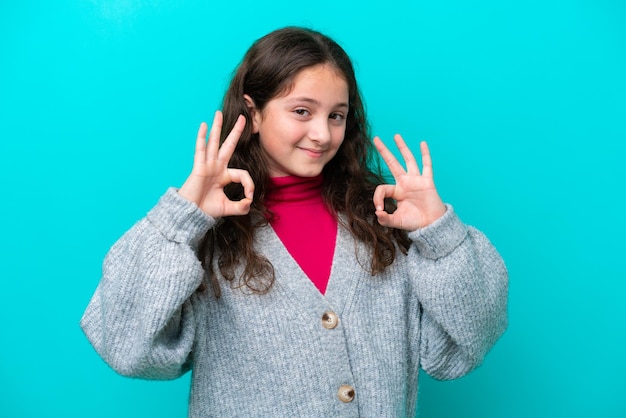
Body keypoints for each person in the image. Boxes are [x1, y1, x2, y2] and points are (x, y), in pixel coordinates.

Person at [81, 26, 508, 417]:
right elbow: (124, 345)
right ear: (254, 112)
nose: (322, 134)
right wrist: (179, 220)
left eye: (336, 115)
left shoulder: (384, 222)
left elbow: (462, 348)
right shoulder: (208, 233)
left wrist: (440, 233)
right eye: (302, 111)